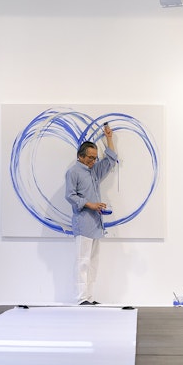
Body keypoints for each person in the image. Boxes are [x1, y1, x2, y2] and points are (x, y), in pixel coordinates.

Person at [64, 124, 118, 306]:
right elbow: (70, 196)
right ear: (80, 156)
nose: (93, 161)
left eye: (95, 158)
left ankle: (89, 297)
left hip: (95, 223)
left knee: (92, 262)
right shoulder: (73, 172)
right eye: (90, 158)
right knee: (82, 262)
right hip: (83, 223)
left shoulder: (94, 171)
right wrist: (90, 204)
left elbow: (110, 161)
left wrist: (109, 138)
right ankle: (80, 299)